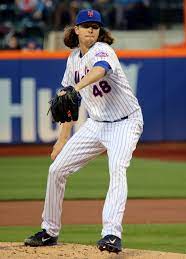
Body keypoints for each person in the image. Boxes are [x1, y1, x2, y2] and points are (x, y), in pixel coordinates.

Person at [24, 9, 143, 253]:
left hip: (125, 122)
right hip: (97, 124)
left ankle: (111, 234)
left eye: (96, 26)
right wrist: (61, 140)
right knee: (57, 170)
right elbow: (68, 105)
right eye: (86, 25)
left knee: (118, 170)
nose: (91, 30)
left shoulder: (103, 50)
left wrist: (75, 88)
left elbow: (100, 69)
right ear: (76, 30)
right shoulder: (72, 59)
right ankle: (49, 231)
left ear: (100, 31)